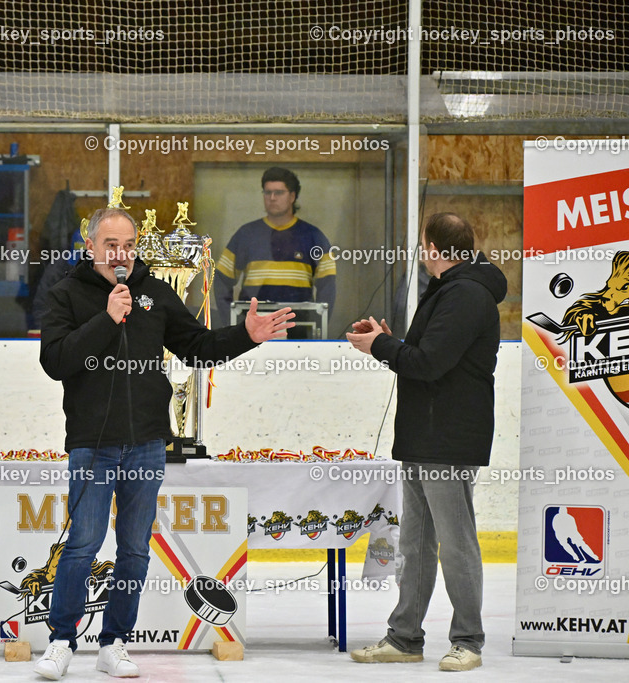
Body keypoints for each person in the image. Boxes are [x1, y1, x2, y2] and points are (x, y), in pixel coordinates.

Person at [34, 207, 295, 680]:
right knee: (83, 544)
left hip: (147, 443)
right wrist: (107, 318)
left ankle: (115, 642)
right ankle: (61, 640)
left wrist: (246, 336)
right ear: (90, 246)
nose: (121, 255)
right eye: (111, 245)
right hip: (93, 443)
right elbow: (55, 361)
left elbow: (198, 346)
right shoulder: (64, 294)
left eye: (129, 245)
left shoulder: (155, 293)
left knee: (135, 549)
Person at [345, 212, 507, 672]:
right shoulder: (448, 289)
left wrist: (379, 346)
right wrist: (387, 341)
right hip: (424, 435)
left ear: (433, 248)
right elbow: (426, 355)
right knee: (414, 545)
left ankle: (468, 640)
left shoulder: (465, 294)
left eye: (422, 244)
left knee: (456, 545)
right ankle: (405, 637)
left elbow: (430, 363)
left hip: (448, 439)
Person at [214, 166, 336, 330]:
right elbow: (222, 279)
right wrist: (232, 323)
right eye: (267, 192)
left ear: (292, 196)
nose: (272, 198)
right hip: (253, 331)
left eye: (278, 192)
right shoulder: (246, 234)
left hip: (300, 329)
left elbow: (327, 286)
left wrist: (318, 325)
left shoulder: (313, 236)